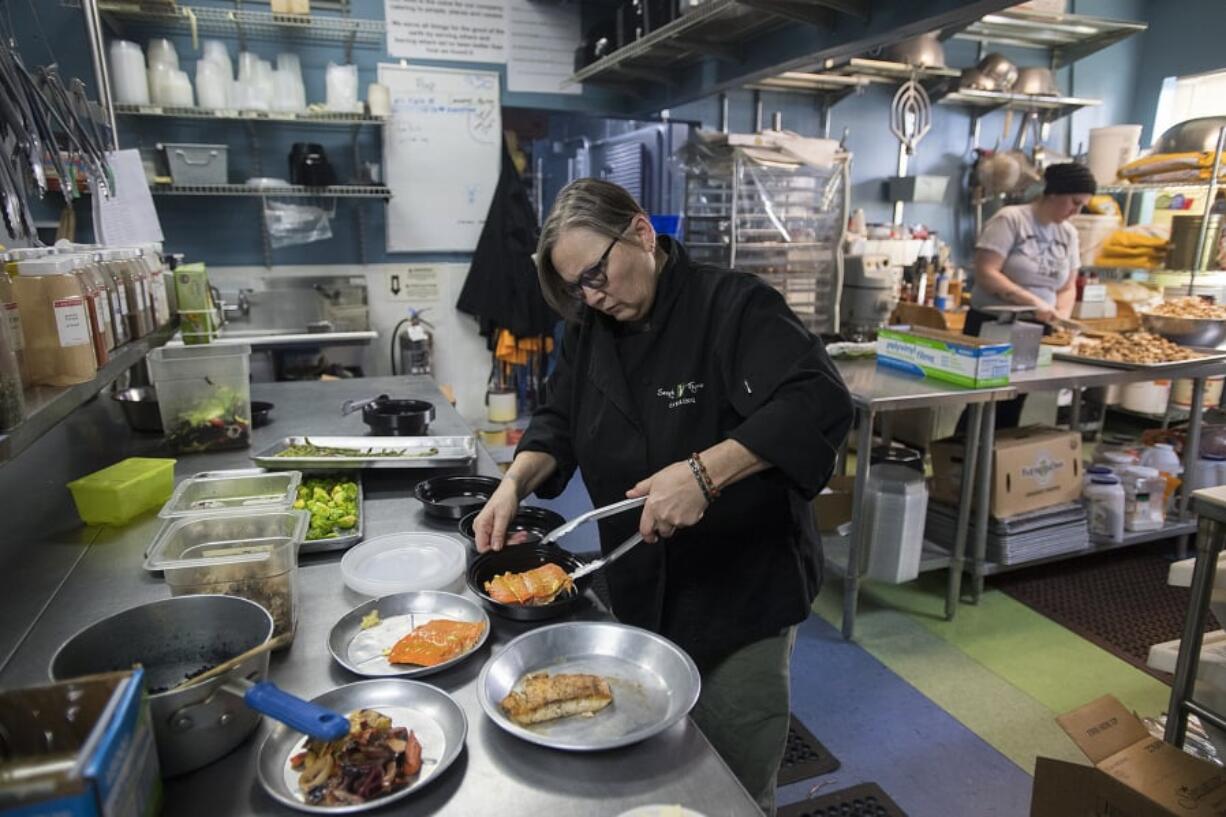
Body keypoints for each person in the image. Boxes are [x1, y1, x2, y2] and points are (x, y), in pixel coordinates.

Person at [472, 178, 852, 814]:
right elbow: (557, 422)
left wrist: (703, 474)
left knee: (728, 780)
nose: (591, 297)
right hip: (634, 583)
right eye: (575, 288)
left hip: (739, 595)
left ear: (642, 234)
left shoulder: (734, 307)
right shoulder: (591, 326)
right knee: (646, 766)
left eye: (596, 274)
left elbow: (818, 401)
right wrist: (513, 482)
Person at [966, 161, 1096, 428]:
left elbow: (1068, 286)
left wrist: (1059, 316)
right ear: (1054, 192)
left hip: (1036, 329)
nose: (1076, 211)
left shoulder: (1068, 233)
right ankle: (960, 462)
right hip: (994, 327)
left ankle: (999, 464)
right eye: (1074, 202)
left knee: (1014, 403)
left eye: (1082, 205)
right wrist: (1032, 302)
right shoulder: (1010, 219)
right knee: (981, 403)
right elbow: (986, 272)